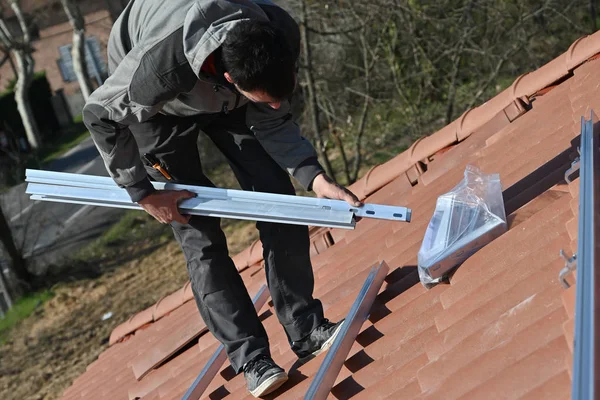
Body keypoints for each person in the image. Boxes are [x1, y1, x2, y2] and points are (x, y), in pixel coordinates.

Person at [83, 0, 361, 397]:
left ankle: (306, 328)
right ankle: (252, 358)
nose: (279, 102)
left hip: (230, 94)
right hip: (158, 109)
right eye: (267, 96)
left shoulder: (278, 31)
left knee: (279, 199)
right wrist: (142, 193)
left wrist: (312, 177)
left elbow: (274, 114)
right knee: (198, 228)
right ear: (231, 78)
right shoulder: (155, 68)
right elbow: (99, 114)